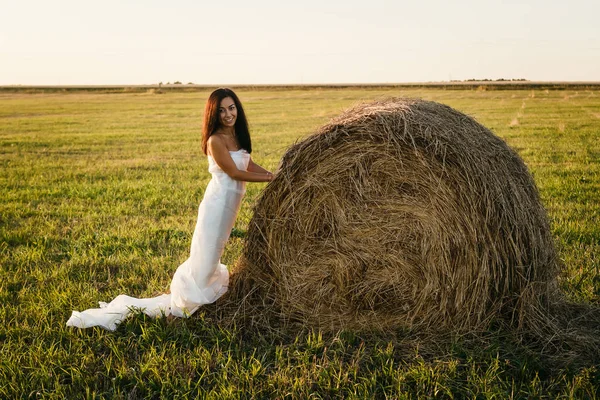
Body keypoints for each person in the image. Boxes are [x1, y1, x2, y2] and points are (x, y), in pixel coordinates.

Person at [66, 88, 273, 330]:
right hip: (217, 206)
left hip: (230, 208)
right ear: (212, 114)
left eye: (232, 108)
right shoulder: (214, 140)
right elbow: (235, 172)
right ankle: (181, 307)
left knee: (214, 253)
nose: (228, 114)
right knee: (205, 256)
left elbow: (247, 163)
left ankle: (198, 298)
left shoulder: (237, 137)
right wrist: (271, 180)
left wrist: (275, 174)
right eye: (221, 110)